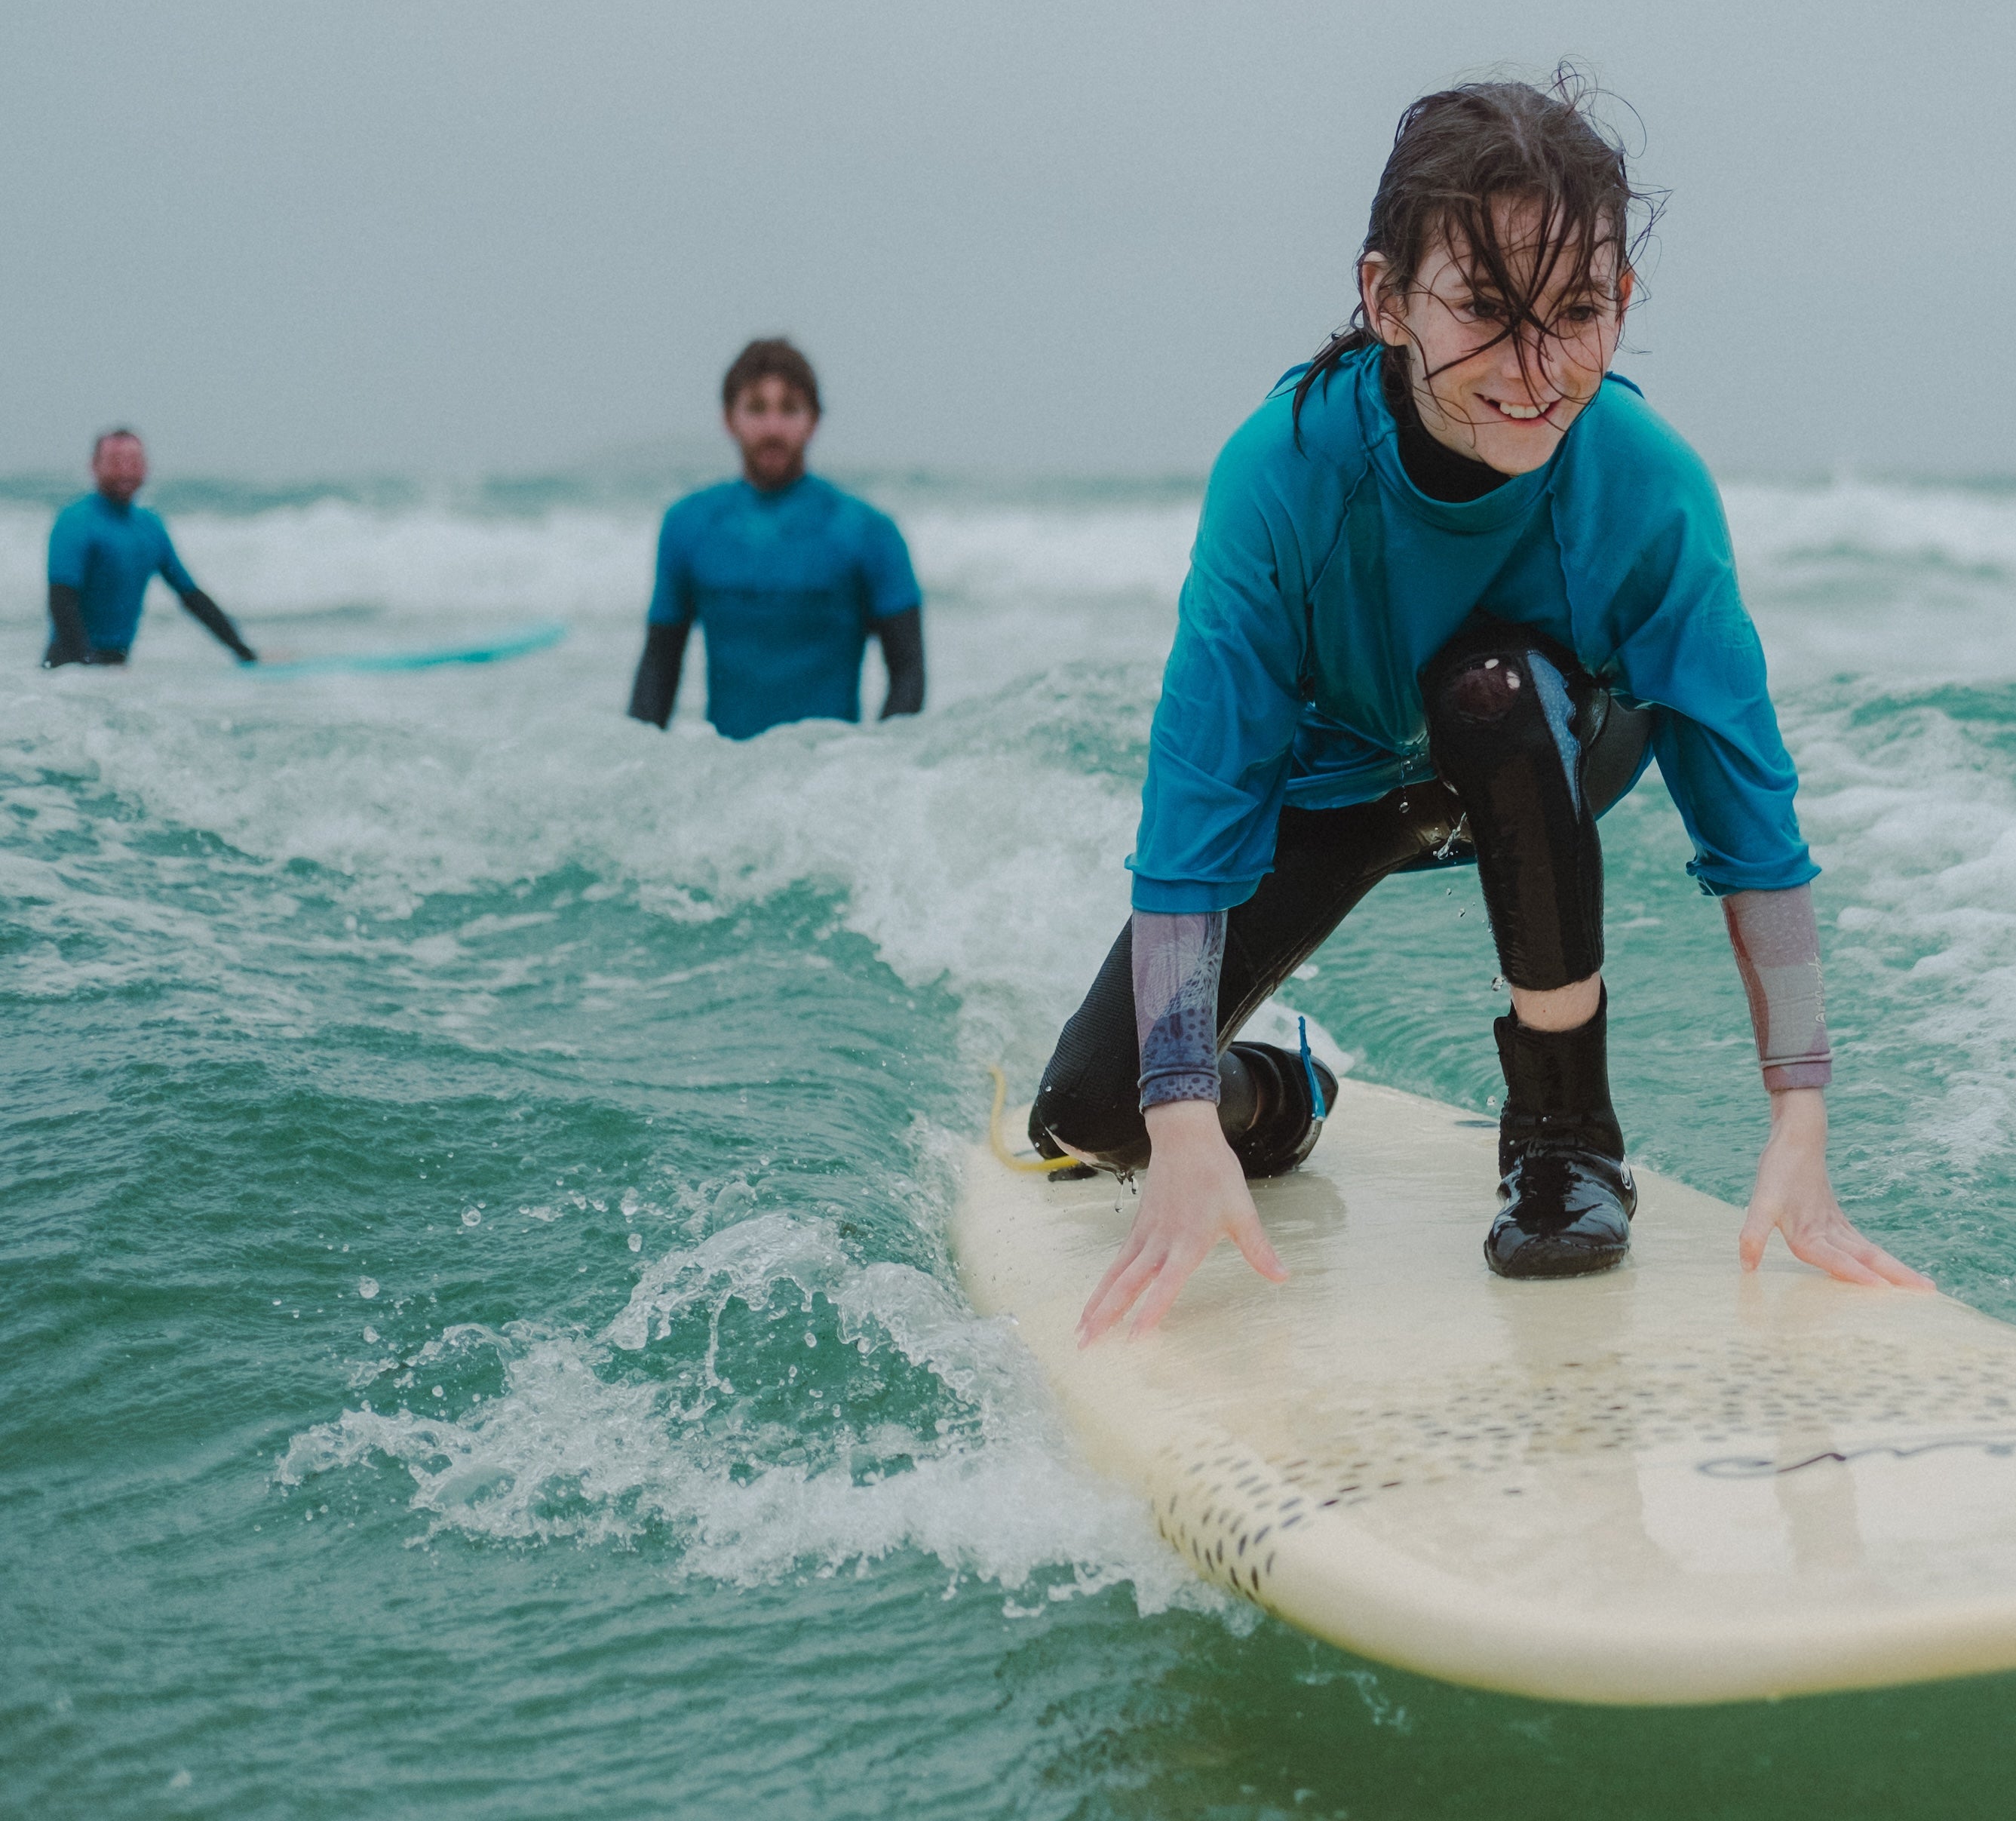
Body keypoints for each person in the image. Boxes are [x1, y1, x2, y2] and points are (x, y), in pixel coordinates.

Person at [1033, 75, 1934, 1343]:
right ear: (1386, 299)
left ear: (1624, 302)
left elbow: (1746, 801)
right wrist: (1184, 1112)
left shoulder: (1647, 486)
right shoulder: (1283, 479)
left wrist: (1801, 1111)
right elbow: (1201, 793)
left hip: (1551, 743)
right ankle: (1289, 1091)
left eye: (1576, 311)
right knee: (1089, 1118)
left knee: (1497, 693)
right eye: (1486, 310)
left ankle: (1567, 1133)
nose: (1536, 369)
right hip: (1347, 781)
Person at [628, 339, 924, 739]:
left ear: (814, 421)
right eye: (756, 408)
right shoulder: (688, 525)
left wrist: (872, 773)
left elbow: (908, 676)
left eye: (789, 409)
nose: (772, 427)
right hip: (726, 776)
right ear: (729, 419)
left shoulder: (869, 533)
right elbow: (658, 672)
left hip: (830, 779)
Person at [42, 429, 258, 668]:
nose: (125, 470)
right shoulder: (75, 521)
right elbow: (61, 601)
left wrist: (244, 652)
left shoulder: (150, 526)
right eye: (115, 462)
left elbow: (191, 597)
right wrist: (86, 666)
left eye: (134, 462)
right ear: (94, 466)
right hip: (67, 669)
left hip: (115, 666)